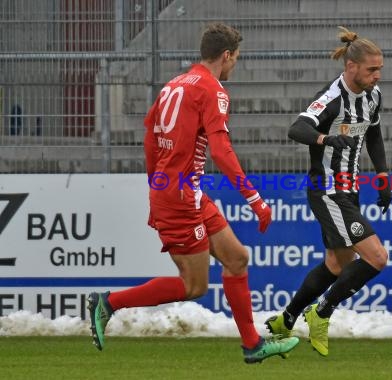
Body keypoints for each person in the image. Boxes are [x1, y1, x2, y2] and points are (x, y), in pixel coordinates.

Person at [87, 22, 299, 363]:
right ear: (226, 55)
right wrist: (254, 198)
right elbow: (221, 151)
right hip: (181, 197)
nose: (234, 67)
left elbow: (150, 140)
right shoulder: (212, 90)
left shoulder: (174, 84)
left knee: (237, 258)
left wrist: (157, 186)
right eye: (235, 60)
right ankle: (109, 303)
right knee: (193, 285)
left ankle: (253, 345)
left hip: (184, 190)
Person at [265, 26, 392, 356]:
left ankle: (287, 319)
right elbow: (297, 128)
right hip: (327, 190)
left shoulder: (373, 97)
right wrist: (325, 138)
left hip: (350, 190)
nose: (377, 76)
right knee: (377, 257)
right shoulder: (332, 99)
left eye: (379, 69)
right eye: (371, 69)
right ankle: (321, 313)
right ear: (351, 67)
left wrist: (382, 175)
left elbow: (374, 135)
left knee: (338, 264)